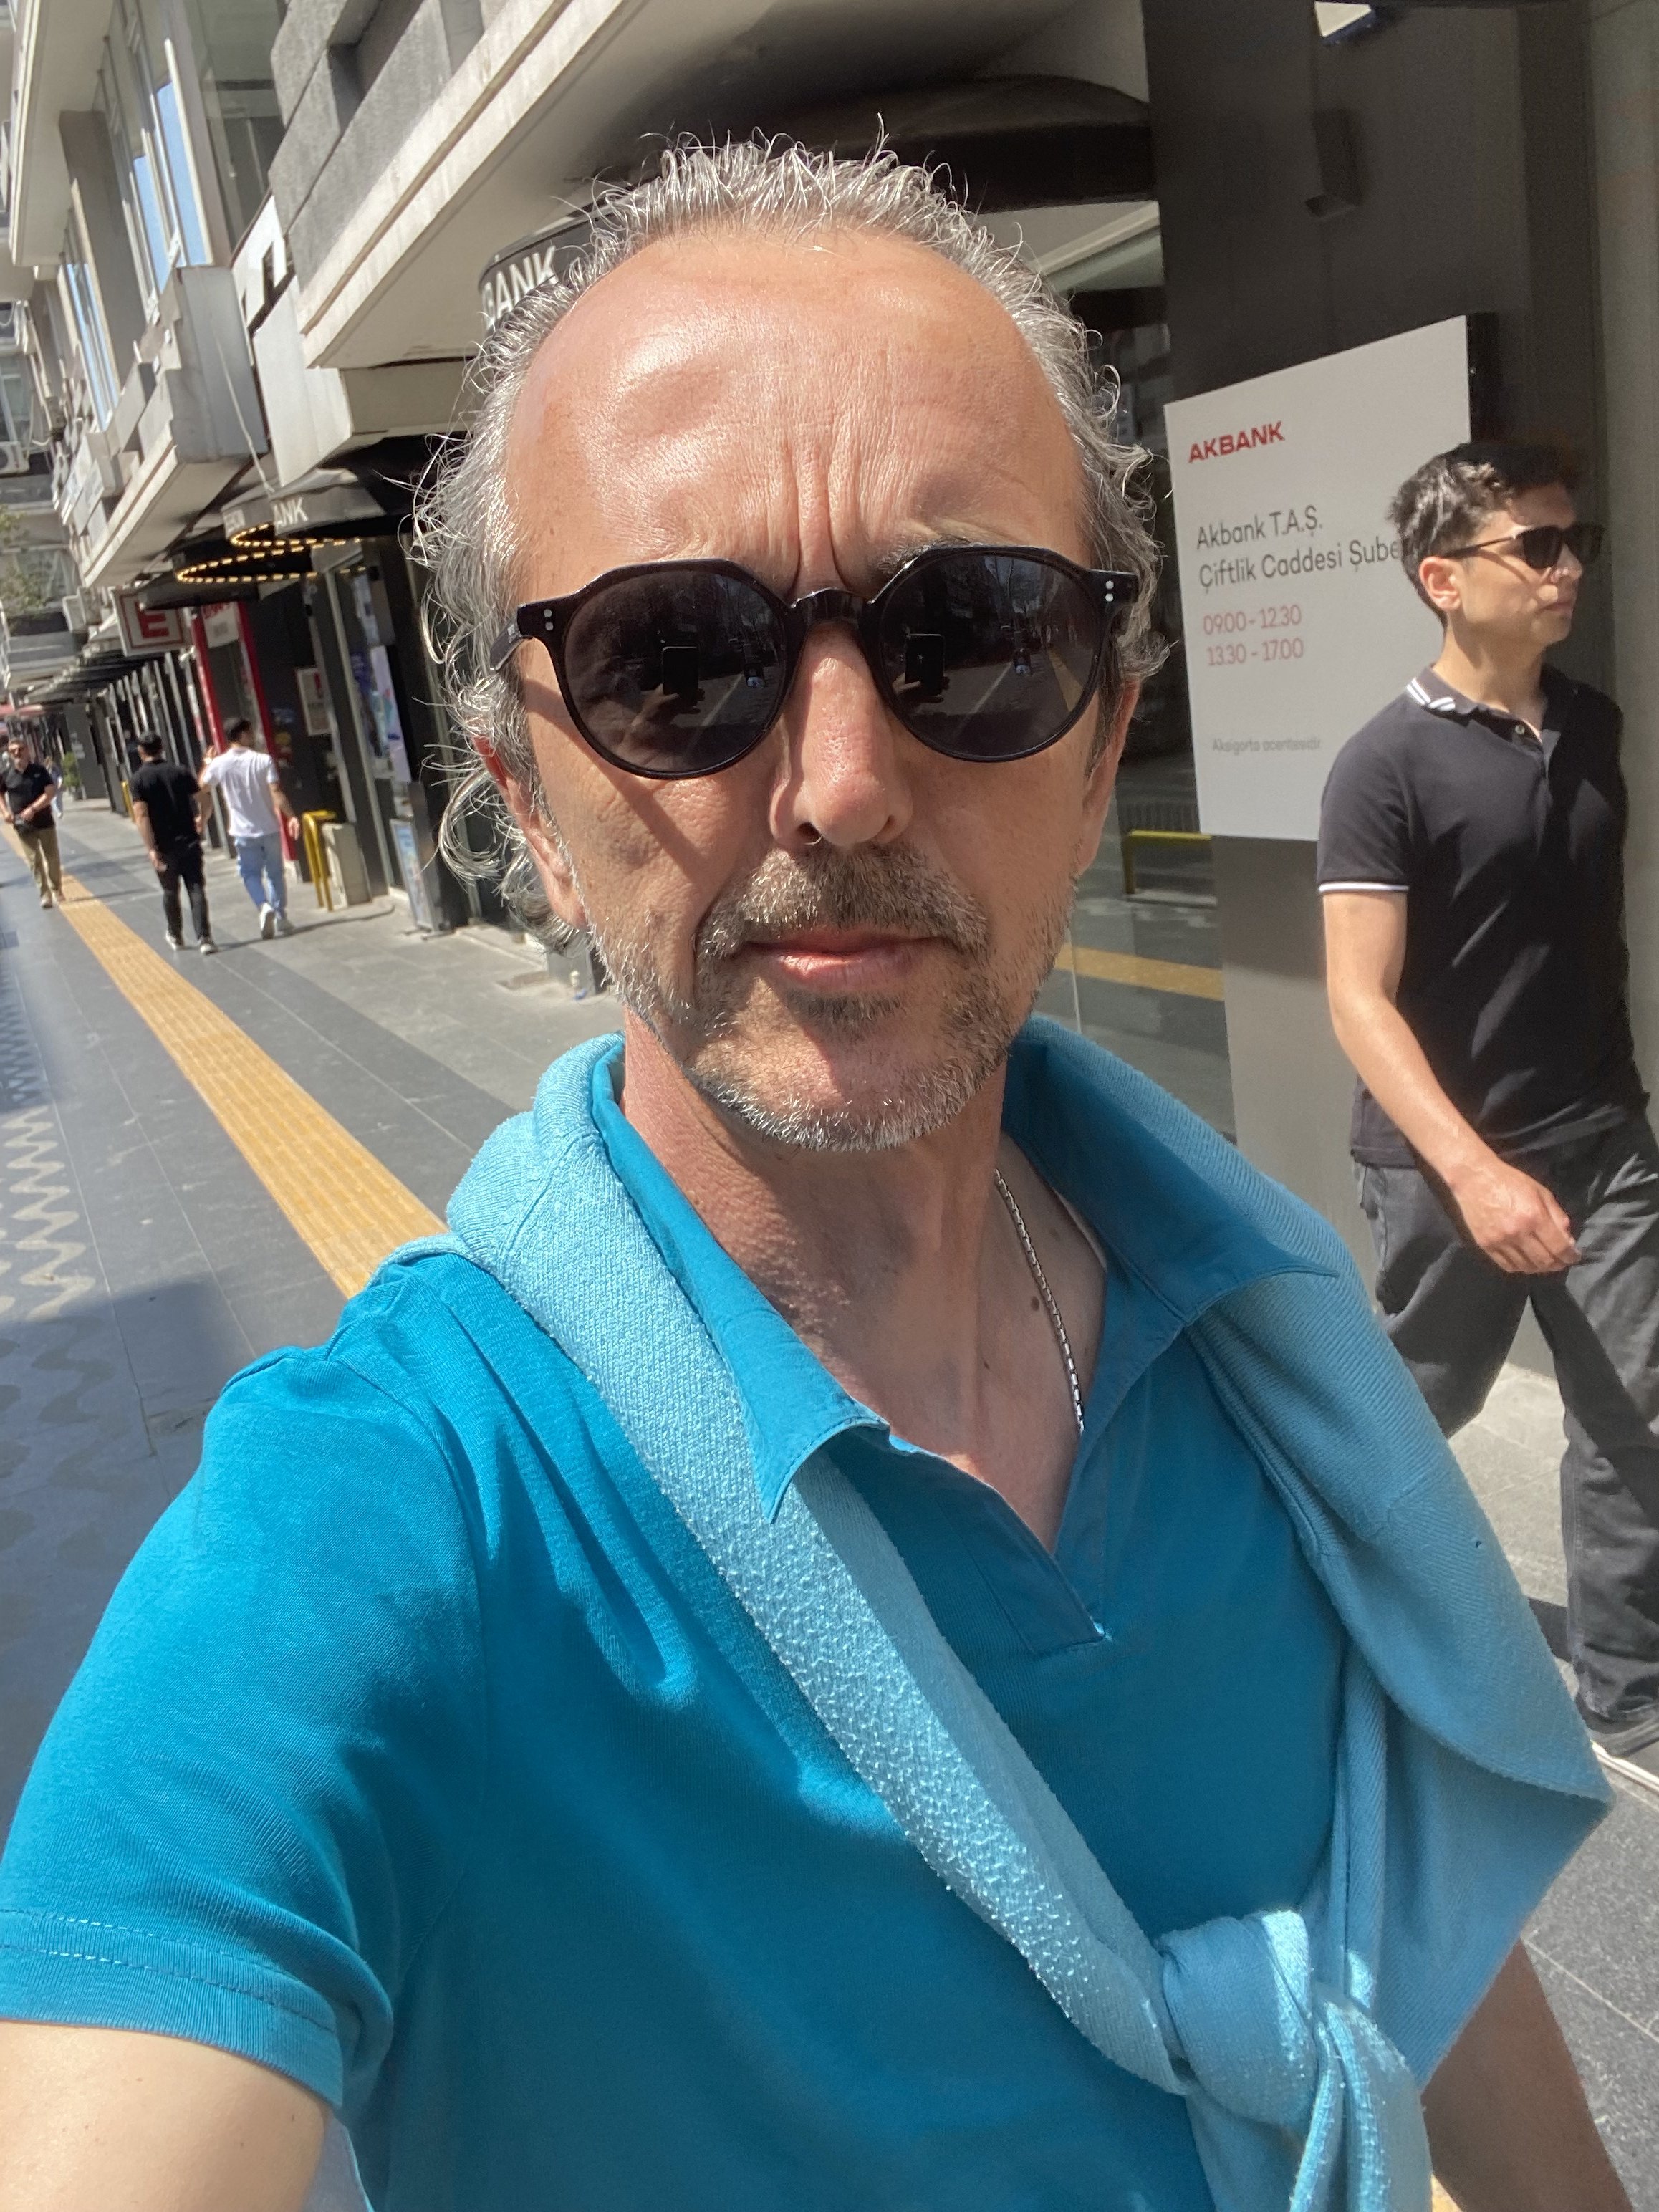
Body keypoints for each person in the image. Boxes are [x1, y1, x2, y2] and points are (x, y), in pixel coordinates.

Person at [0, 149, 1629, 2212]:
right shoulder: (399, 1510)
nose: (843, 786)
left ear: (1100, 736)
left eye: (971, 636)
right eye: (672, 665)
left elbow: (1410, 1931)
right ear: (524, 795)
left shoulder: (1261, 1340)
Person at [1319, 441, 1659, 1802]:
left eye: (1577, 543)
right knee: (1418, 1410)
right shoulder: (1382, 765)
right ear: (1444, 578)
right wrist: (1474, 1172)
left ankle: (1628, 1697)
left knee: (1634, 1414)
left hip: (1603, 1138)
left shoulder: (1593, 724)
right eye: (1538, 546)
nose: (1568, 568)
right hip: (1446, 1164)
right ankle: (1326, 1601)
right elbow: (1358, 999)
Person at [198, 715, 297, 937]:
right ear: (242, 734)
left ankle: (263, 905)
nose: (252, 736)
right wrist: (291, 816)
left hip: (242, 831)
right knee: (275, 873)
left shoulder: (220, 763)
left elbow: (203, 786)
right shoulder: (263, 760)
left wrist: (207, 763)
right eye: (250, 732)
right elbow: (276, 792)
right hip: (269, 827)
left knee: (250, 873)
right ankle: (280, 916)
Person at [130, 734, 216, 956]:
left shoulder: (138, 780)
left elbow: (141, 815)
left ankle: (176, 935)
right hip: (189, 840)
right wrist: (202, 820)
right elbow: (205, 800)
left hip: (163, 845)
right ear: (162, 748)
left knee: (170, 890)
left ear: (141, 752)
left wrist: (150, 848)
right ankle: (204, 937)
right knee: (196, 887)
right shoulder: (180, 772)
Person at [1, 733, 62, 907]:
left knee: (52, 857)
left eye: (20, 749)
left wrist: (34, 808)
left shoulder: (39, 771)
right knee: (34, 861)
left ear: (27, 751)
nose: (17, 753)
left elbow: (50, 793)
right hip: (23, 825)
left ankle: (56, 888)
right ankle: (45, 895)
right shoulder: (6, 775)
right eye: (13, 751)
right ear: (9, 754)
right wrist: (5, 812)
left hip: (45, 822)